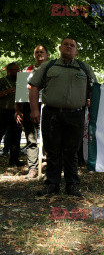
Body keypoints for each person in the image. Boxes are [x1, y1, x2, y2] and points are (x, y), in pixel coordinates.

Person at [29, 38, 97, 196]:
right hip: (51, 114)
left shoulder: (84, 68)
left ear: (77, 50)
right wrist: (34, 110)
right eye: (65, 44)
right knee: (52, 150)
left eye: (72, 45)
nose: (69, 47)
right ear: (60, 48)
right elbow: (34, 87)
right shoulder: (49, 66)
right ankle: (52, 184)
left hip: (76, 115)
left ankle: (72, 184)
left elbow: (95, 90)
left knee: (72, 151)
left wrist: (92, 109)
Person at [16, 45, 49, 178]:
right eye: (37, 52)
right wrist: (18, 110)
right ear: (34, 55)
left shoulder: (52, 69)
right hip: (28, 106)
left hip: (47, 106)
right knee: (31, 137)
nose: (39, 54)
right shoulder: (27, 70)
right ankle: (33, 168)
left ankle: (48, 165)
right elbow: (19, 91)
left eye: (42, 52)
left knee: (48, 137)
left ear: (47, 55)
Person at [0, 62, 21, 167]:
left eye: (19, 70)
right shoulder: (2, 81)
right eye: (15, 70)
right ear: (9, 70)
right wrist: (7, 91)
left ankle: (14, 160)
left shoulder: (21, 82)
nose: (18, 72)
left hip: (16, 113)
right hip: (2, 112)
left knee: (16, 137)